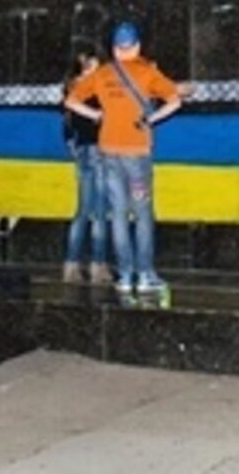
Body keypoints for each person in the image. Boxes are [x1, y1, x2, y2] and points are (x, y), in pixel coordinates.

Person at [64, 21, 183, 295]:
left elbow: (70, 101)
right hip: (137, 154)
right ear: (137, 46)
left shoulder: (103, 74)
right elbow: (175, 100)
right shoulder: (147, 73)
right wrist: (150, 119)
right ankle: (145, 275)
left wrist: (96, 115)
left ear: (115, 49)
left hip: (108, 152)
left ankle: (125, 275)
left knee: (117, 214)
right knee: (141, 214)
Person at [62, 50, 110, 284]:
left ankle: (71, 266)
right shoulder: (91, 89)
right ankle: (98, 266)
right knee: (100, 212)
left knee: (82, 211)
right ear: (87, 65)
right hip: (97, 150)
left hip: (82, 151)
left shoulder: (73, 88)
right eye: (97, 66)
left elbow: (68, 128)